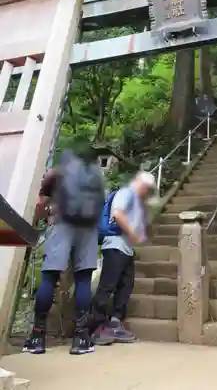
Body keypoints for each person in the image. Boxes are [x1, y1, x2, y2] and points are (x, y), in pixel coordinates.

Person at [23, 147, 105, 356]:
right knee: (83, 279)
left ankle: (37, 337)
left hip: (60, 224)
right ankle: (81, 338)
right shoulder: (94, 177)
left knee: (49, 276)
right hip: (87, 228)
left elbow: (41, 204)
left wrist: (45, 214)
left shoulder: (55, 172)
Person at [90, 171, 156, 345]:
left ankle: (115, 323)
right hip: (115, 245)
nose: (147, 192)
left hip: (126, 249)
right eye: (147, 188)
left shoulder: (136, 199)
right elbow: (117, 214)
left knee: (125, 286)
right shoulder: (126, 193)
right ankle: (97, 327)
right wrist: (133, 234)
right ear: (141, 184)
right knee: (107, 285)